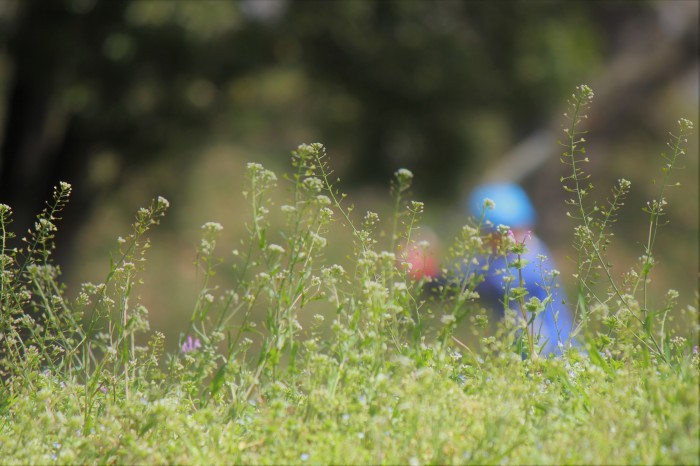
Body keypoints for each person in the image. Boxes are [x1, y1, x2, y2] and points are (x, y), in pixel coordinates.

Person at [407, 183, 576, 356]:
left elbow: (472, 281)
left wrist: (426, 271)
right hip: (530, 358)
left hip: (555, 357)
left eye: (492, 234)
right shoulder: (507, 258)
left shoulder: (529, 264)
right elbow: (469, 270)